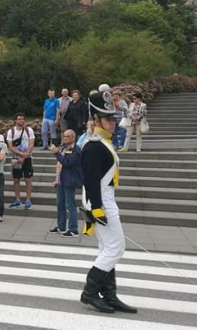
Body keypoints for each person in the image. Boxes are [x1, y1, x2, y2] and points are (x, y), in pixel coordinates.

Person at [79, 84, 137, 314]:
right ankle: (90, 293)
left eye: (113, 118)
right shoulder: (94, 146)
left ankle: (109, 295)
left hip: (105, 198)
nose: (112, 122)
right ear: (96, 120)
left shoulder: (103, 143)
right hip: (100, 200)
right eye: (107, 119)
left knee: (108, 248)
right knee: (115, 248)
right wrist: (96, 208)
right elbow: (91, 181)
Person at [49, 129, 81, 237]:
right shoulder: (64, 148)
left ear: (73, 138)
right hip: (61, 180)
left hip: (69, 181)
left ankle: (73, 229)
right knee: (60, 204)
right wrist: (56, 179)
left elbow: (67, 163)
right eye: (64, 136)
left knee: (70, 204)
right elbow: (59, 165)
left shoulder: (76, 150)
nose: (64, 138)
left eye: (67, 137)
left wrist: (56, 153)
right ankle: (61, 226)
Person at [7, 113, 35, 210]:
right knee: (16, 179)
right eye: (19, 119)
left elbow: (31, 144)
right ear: (15, 120)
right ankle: (17, 199)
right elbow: (10, 146)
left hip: (27, 158)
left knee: (28, 179)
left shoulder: (29, 130)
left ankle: (28, 200)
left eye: (22, 119)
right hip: (15, 158)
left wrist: (25, 155)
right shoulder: (11, 132)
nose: (21, 121)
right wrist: (20, 154)